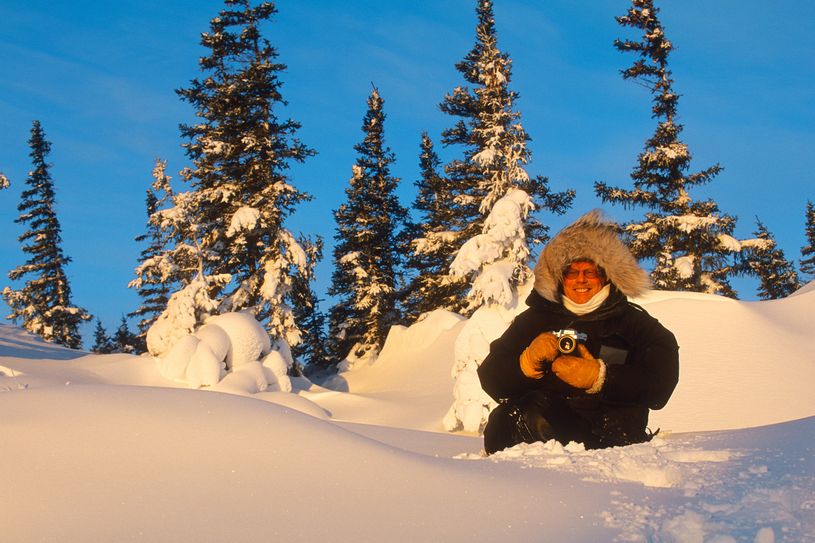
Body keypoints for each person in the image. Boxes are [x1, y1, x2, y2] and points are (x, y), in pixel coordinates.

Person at [477, 210, 679, 454]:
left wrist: (601, 377)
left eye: (590, 272)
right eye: (572, 272)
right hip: (540, 429)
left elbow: (660, 385)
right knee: (509, 417)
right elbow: (491, 377)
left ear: (607, 276)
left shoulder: (634, 324)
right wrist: (525, 364)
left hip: (612, 440)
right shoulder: (534, 321)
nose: (580, 280)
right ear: (559, 278)